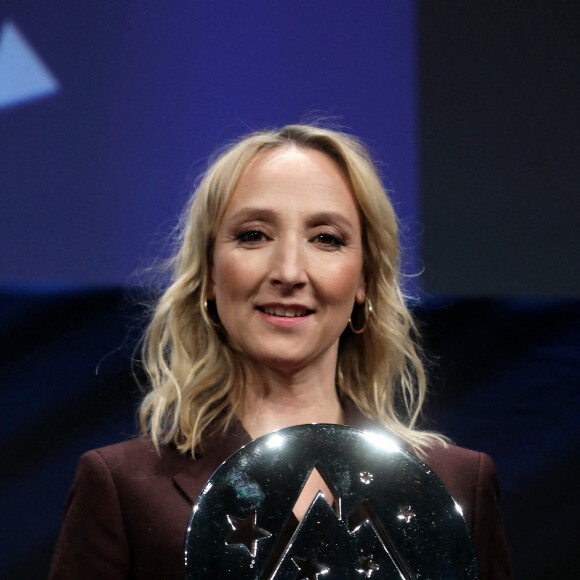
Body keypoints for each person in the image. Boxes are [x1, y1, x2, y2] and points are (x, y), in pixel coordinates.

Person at [50, 124, 512, 579]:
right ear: (210, 273)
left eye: (326, 238)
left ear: (365, 280)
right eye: (253, 235)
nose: (289, 271)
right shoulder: (121, 488)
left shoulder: (456, 485)